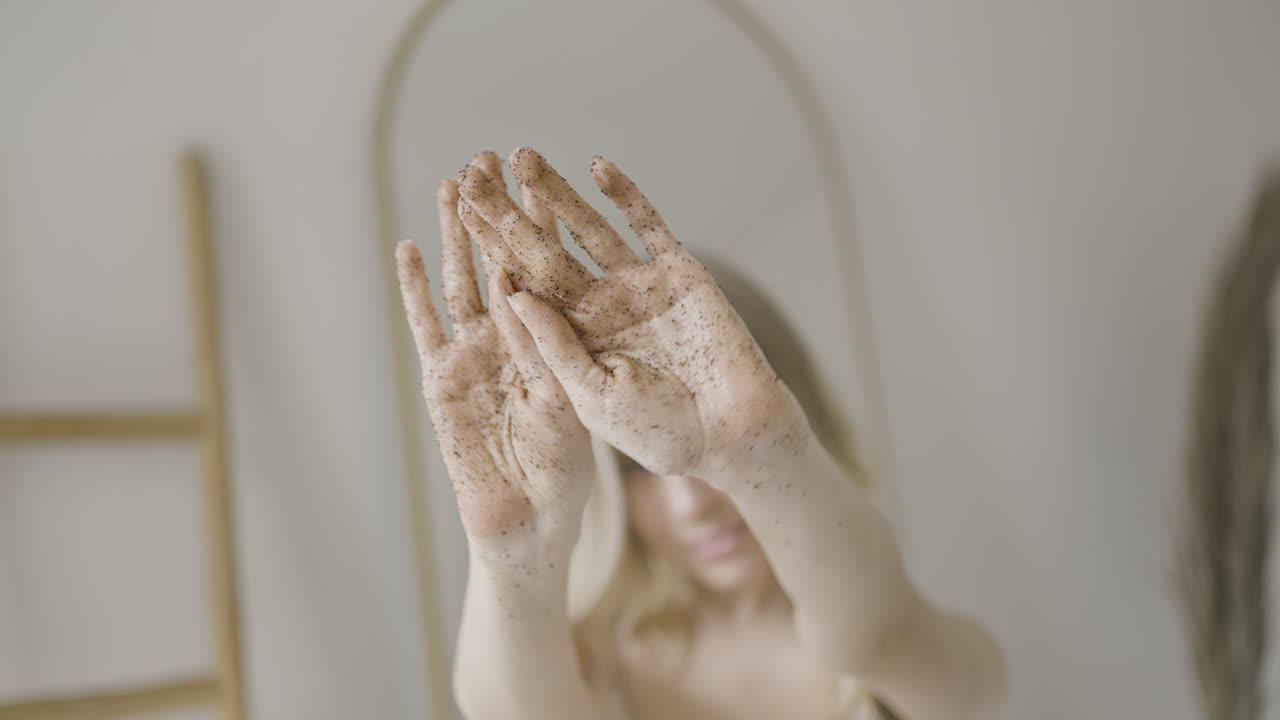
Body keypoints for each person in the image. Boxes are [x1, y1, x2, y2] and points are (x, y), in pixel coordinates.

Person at [394, 148, 1006, 720]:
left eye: (712, 464)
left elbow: (880, 637)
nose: (694, 504)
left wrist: (763, 458)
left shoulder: (912, 644)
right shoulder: (595, 668)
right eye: (635, 469)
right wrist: (512, 552)